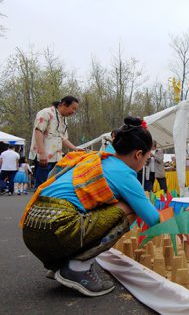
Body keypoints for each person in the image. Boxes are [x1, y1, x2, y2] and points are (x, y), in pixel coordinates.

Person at [21, 116, 160, 297]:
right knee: (128, 209)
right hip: (56, 229)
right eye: (147, 158)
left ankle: (63, 263)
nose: (144, 164)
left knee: (99, 208)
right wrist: (181, 231)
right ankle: (77, 268)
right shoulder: (124, 174)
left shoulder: (97, 158)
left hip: (32, 228)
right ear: (138, 154)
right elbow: (153, 219)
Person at [29, 96, 80, 189]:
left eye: (75, 110)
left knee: (52, 187)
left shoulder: (63, 119)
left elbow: (63, 138)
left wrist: (75, 148)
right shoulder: (46, 113)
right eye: (73, 108)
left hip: (57, 159)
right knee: (42, 187)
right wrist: (42, 153)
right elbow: (38, 131)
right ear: (64, 104)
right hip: (44, 158)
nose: (73, 112)